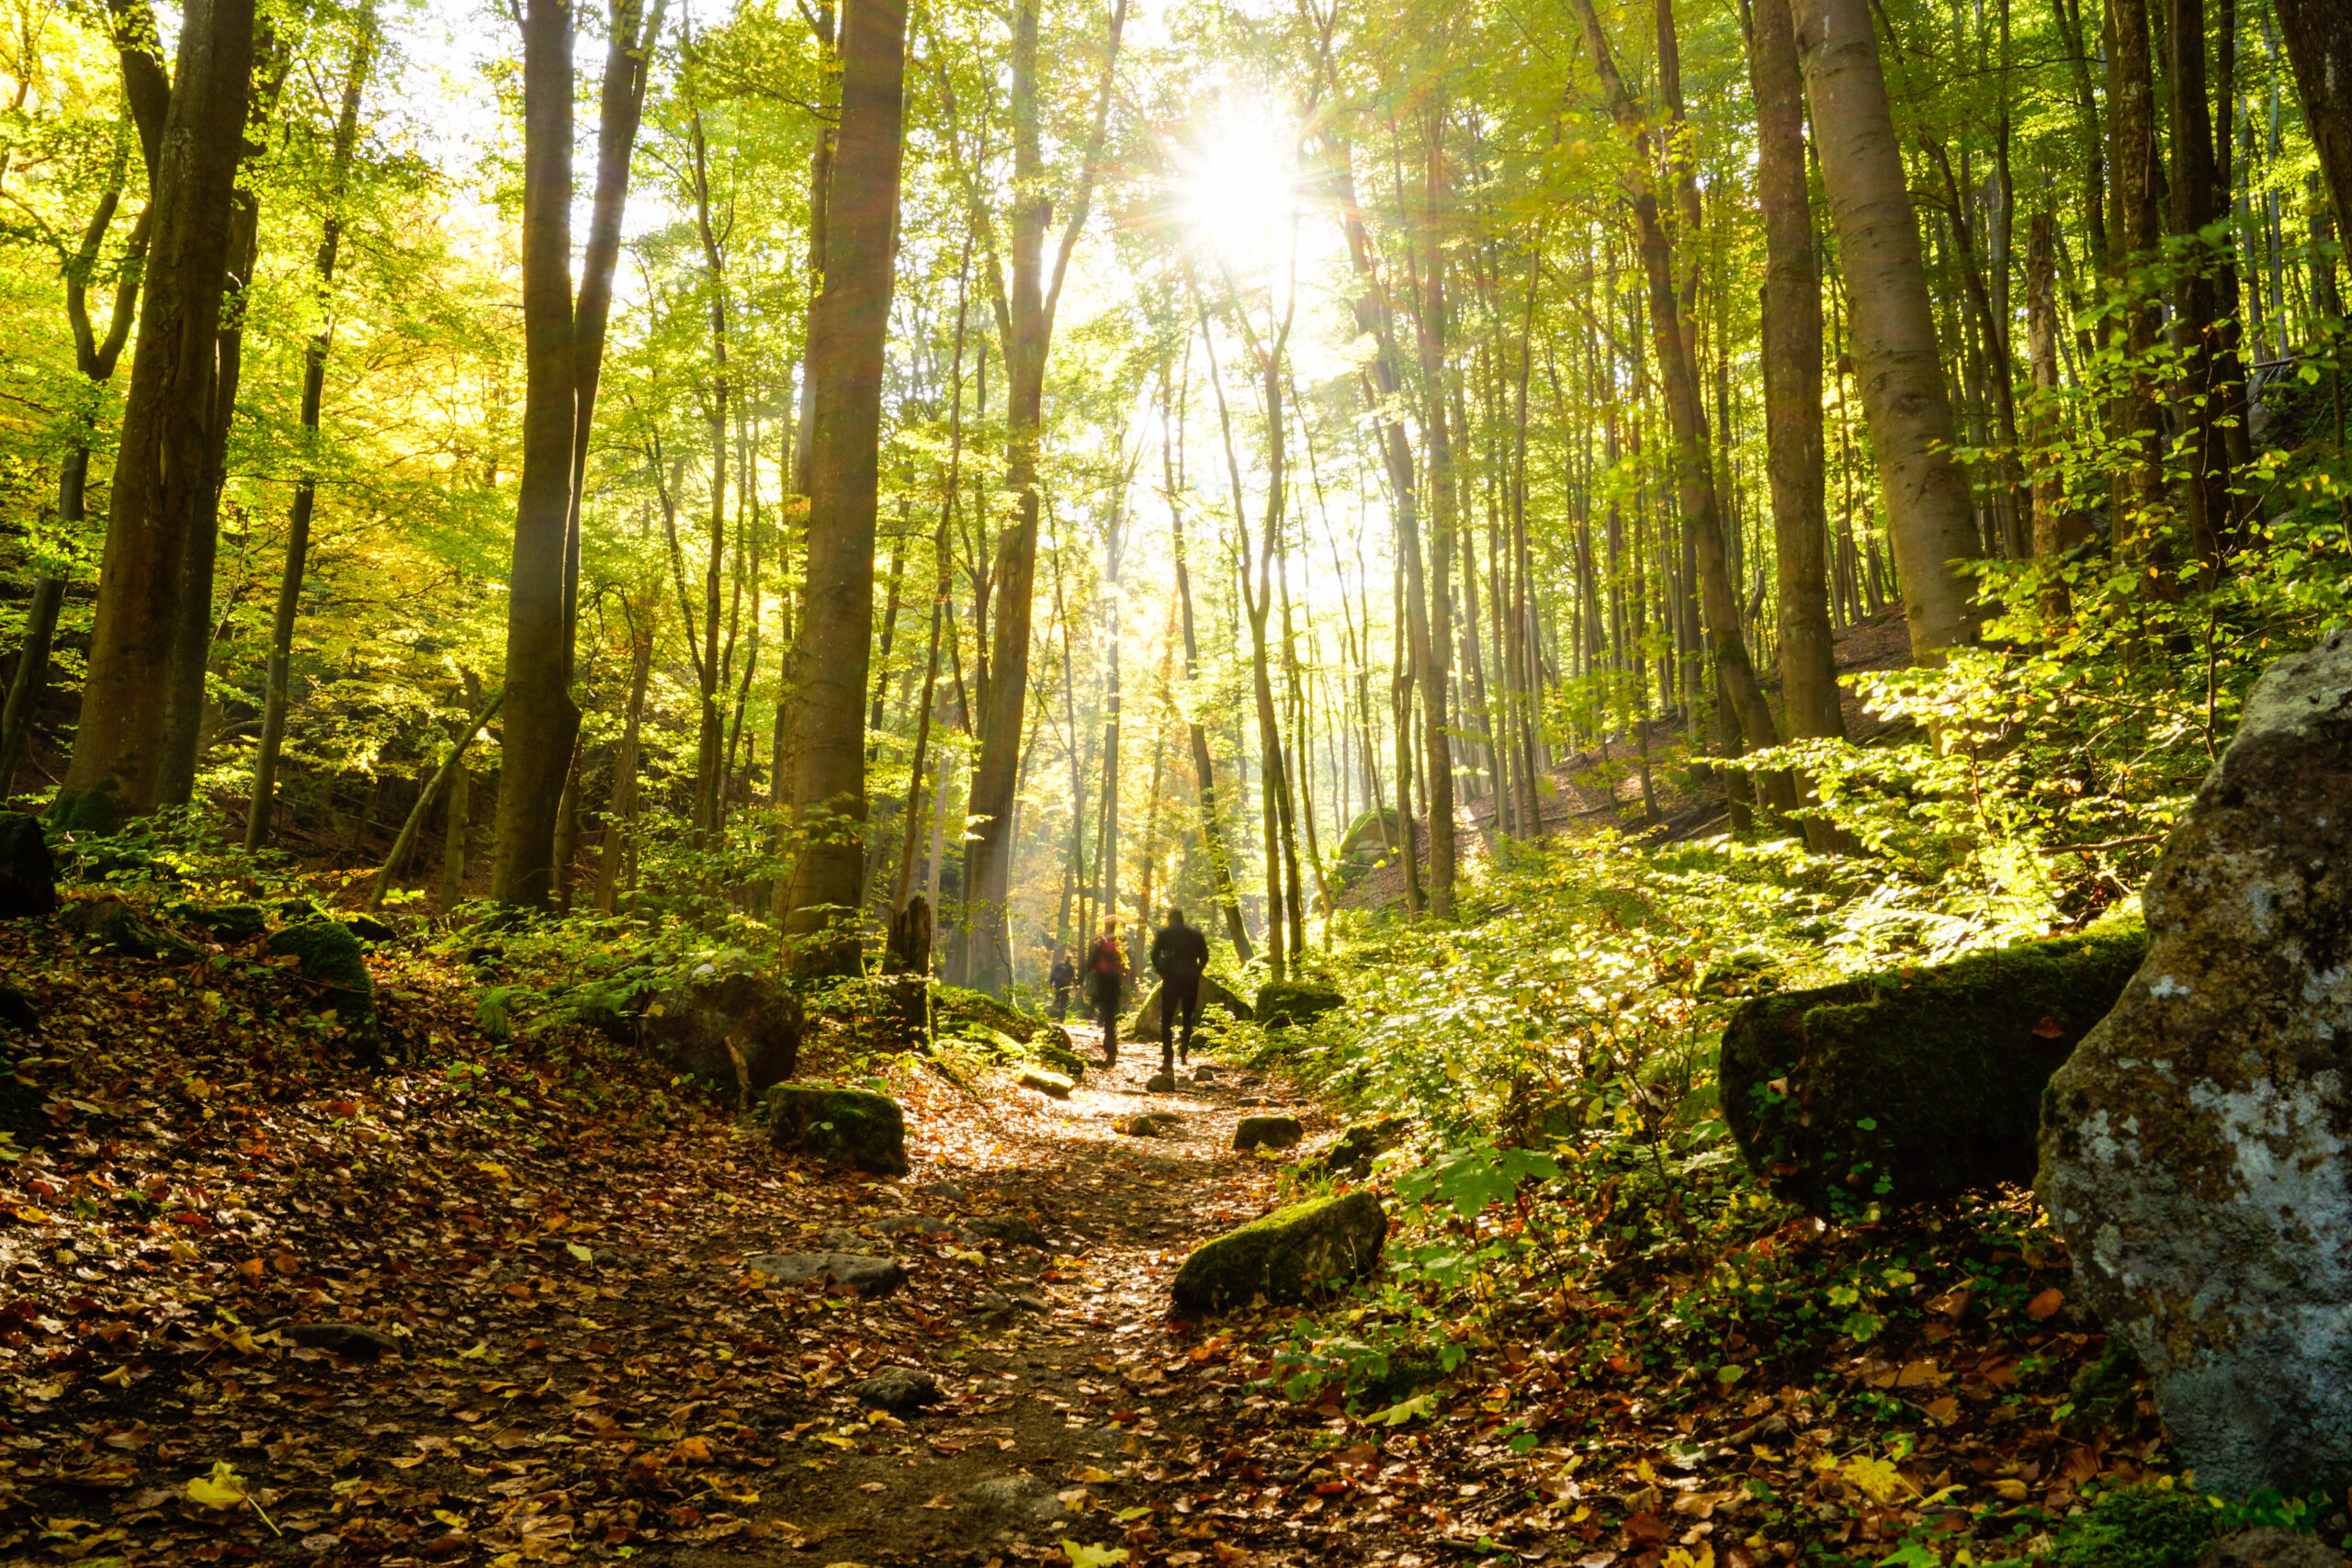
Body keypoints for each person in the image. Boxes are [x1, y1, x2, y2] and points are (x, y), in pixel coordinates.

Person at [1148, 907, 1212, 1077]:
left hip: (1171, 980)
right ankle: (1183, 1054)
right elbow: (1205, 958)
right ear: (1182, 919)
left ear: (1170, 919)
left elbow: (1154, 955)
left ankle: (1168, 1058)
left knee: (1167, 1018)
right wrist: (1196, 971)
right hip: (1191, 980)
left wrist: (1161, 970)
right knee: (1188, 1017)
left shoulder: (1164, 934)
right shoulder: (1196, 935)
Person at [1083, 919, 1128, 1067]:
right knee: (1110, 1019)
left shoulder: (1100, 944)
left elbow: (1090, 964)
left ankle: (1109, 1048)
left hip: (1102, 986)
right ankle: (1111, 1052)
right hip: (1115, 986)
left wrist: (1080, 981)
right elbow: (1125, 968)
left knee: (1105, 1016)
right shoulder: (1119, 946)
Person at [1048, 950, 1077, 1021]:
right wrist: (1050, 983)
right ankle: (1055, 1015)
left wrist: (1075, 985)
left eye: (1070, 958)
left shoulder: (1071, 967)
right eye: (1068, 958)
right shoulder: (1059, 965)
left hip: (1065, 985)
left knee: (1063, 1001)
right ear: (1065, 957)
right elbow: (1053, 974)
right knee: (1058, 1000)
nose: (1069, 959)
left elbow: (1073, 977)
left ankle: (1061, 1017)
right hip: (1059, 984)